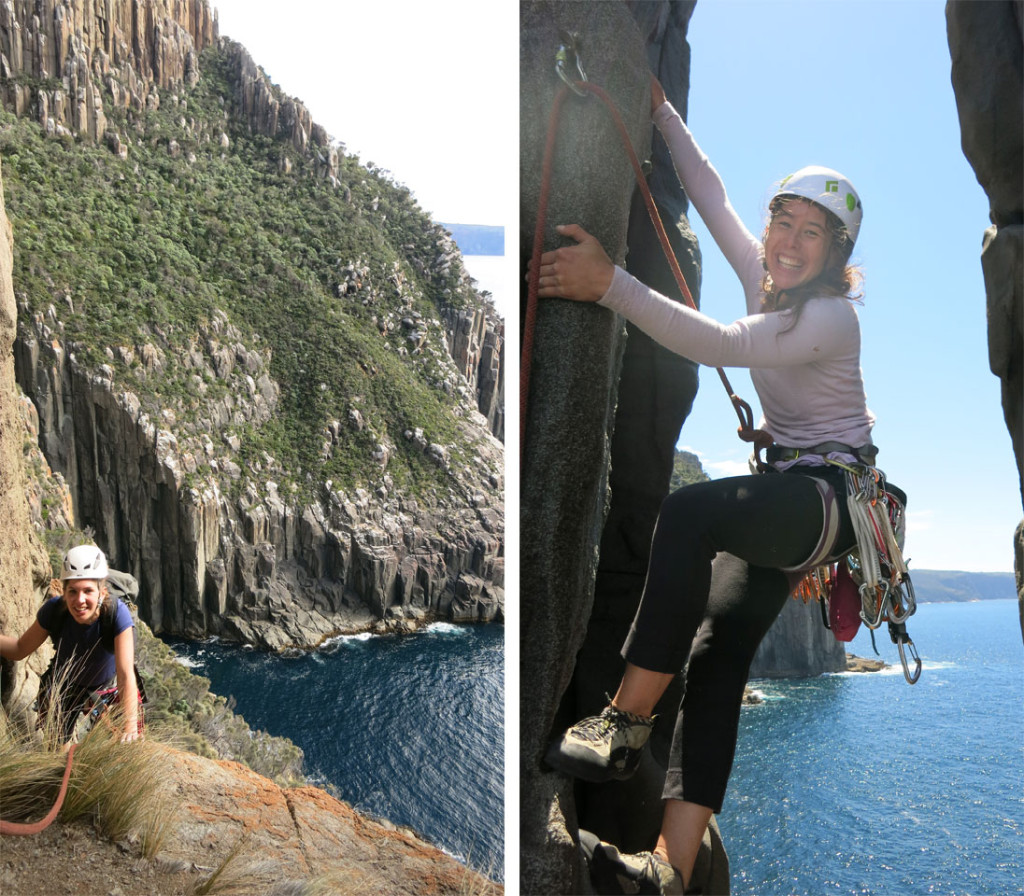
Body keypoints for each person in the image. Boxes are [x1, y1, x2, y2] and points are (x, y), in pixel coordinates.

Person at [537, 77, 880, 894]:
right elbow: (711, 193)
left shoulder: (830, 318)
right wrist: (656, 109)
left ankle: (622, 722)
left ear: (837, 258)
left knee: (690, 513)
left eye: (814, 236)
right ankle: (670, 868)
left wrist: (608, 283)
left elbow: (722, 343)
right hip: (794, 493)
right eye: (783, 223)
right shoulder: (767, 277)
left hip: (825, 499)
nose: (792, 243)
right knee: (716, 656)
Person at [0, 545, 142, 745]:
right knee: (58, 748)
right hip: (65, 684)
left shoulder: (117, 614)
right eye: (72, 591)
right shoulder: (54, 611)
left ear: (102, 593)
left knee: (115, 748)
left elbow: (125, 674)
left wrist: (130, 727)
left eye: (88, 591)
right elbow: (19, 649)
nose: (80, 600)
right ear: (63, 591)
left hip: (107, 688)